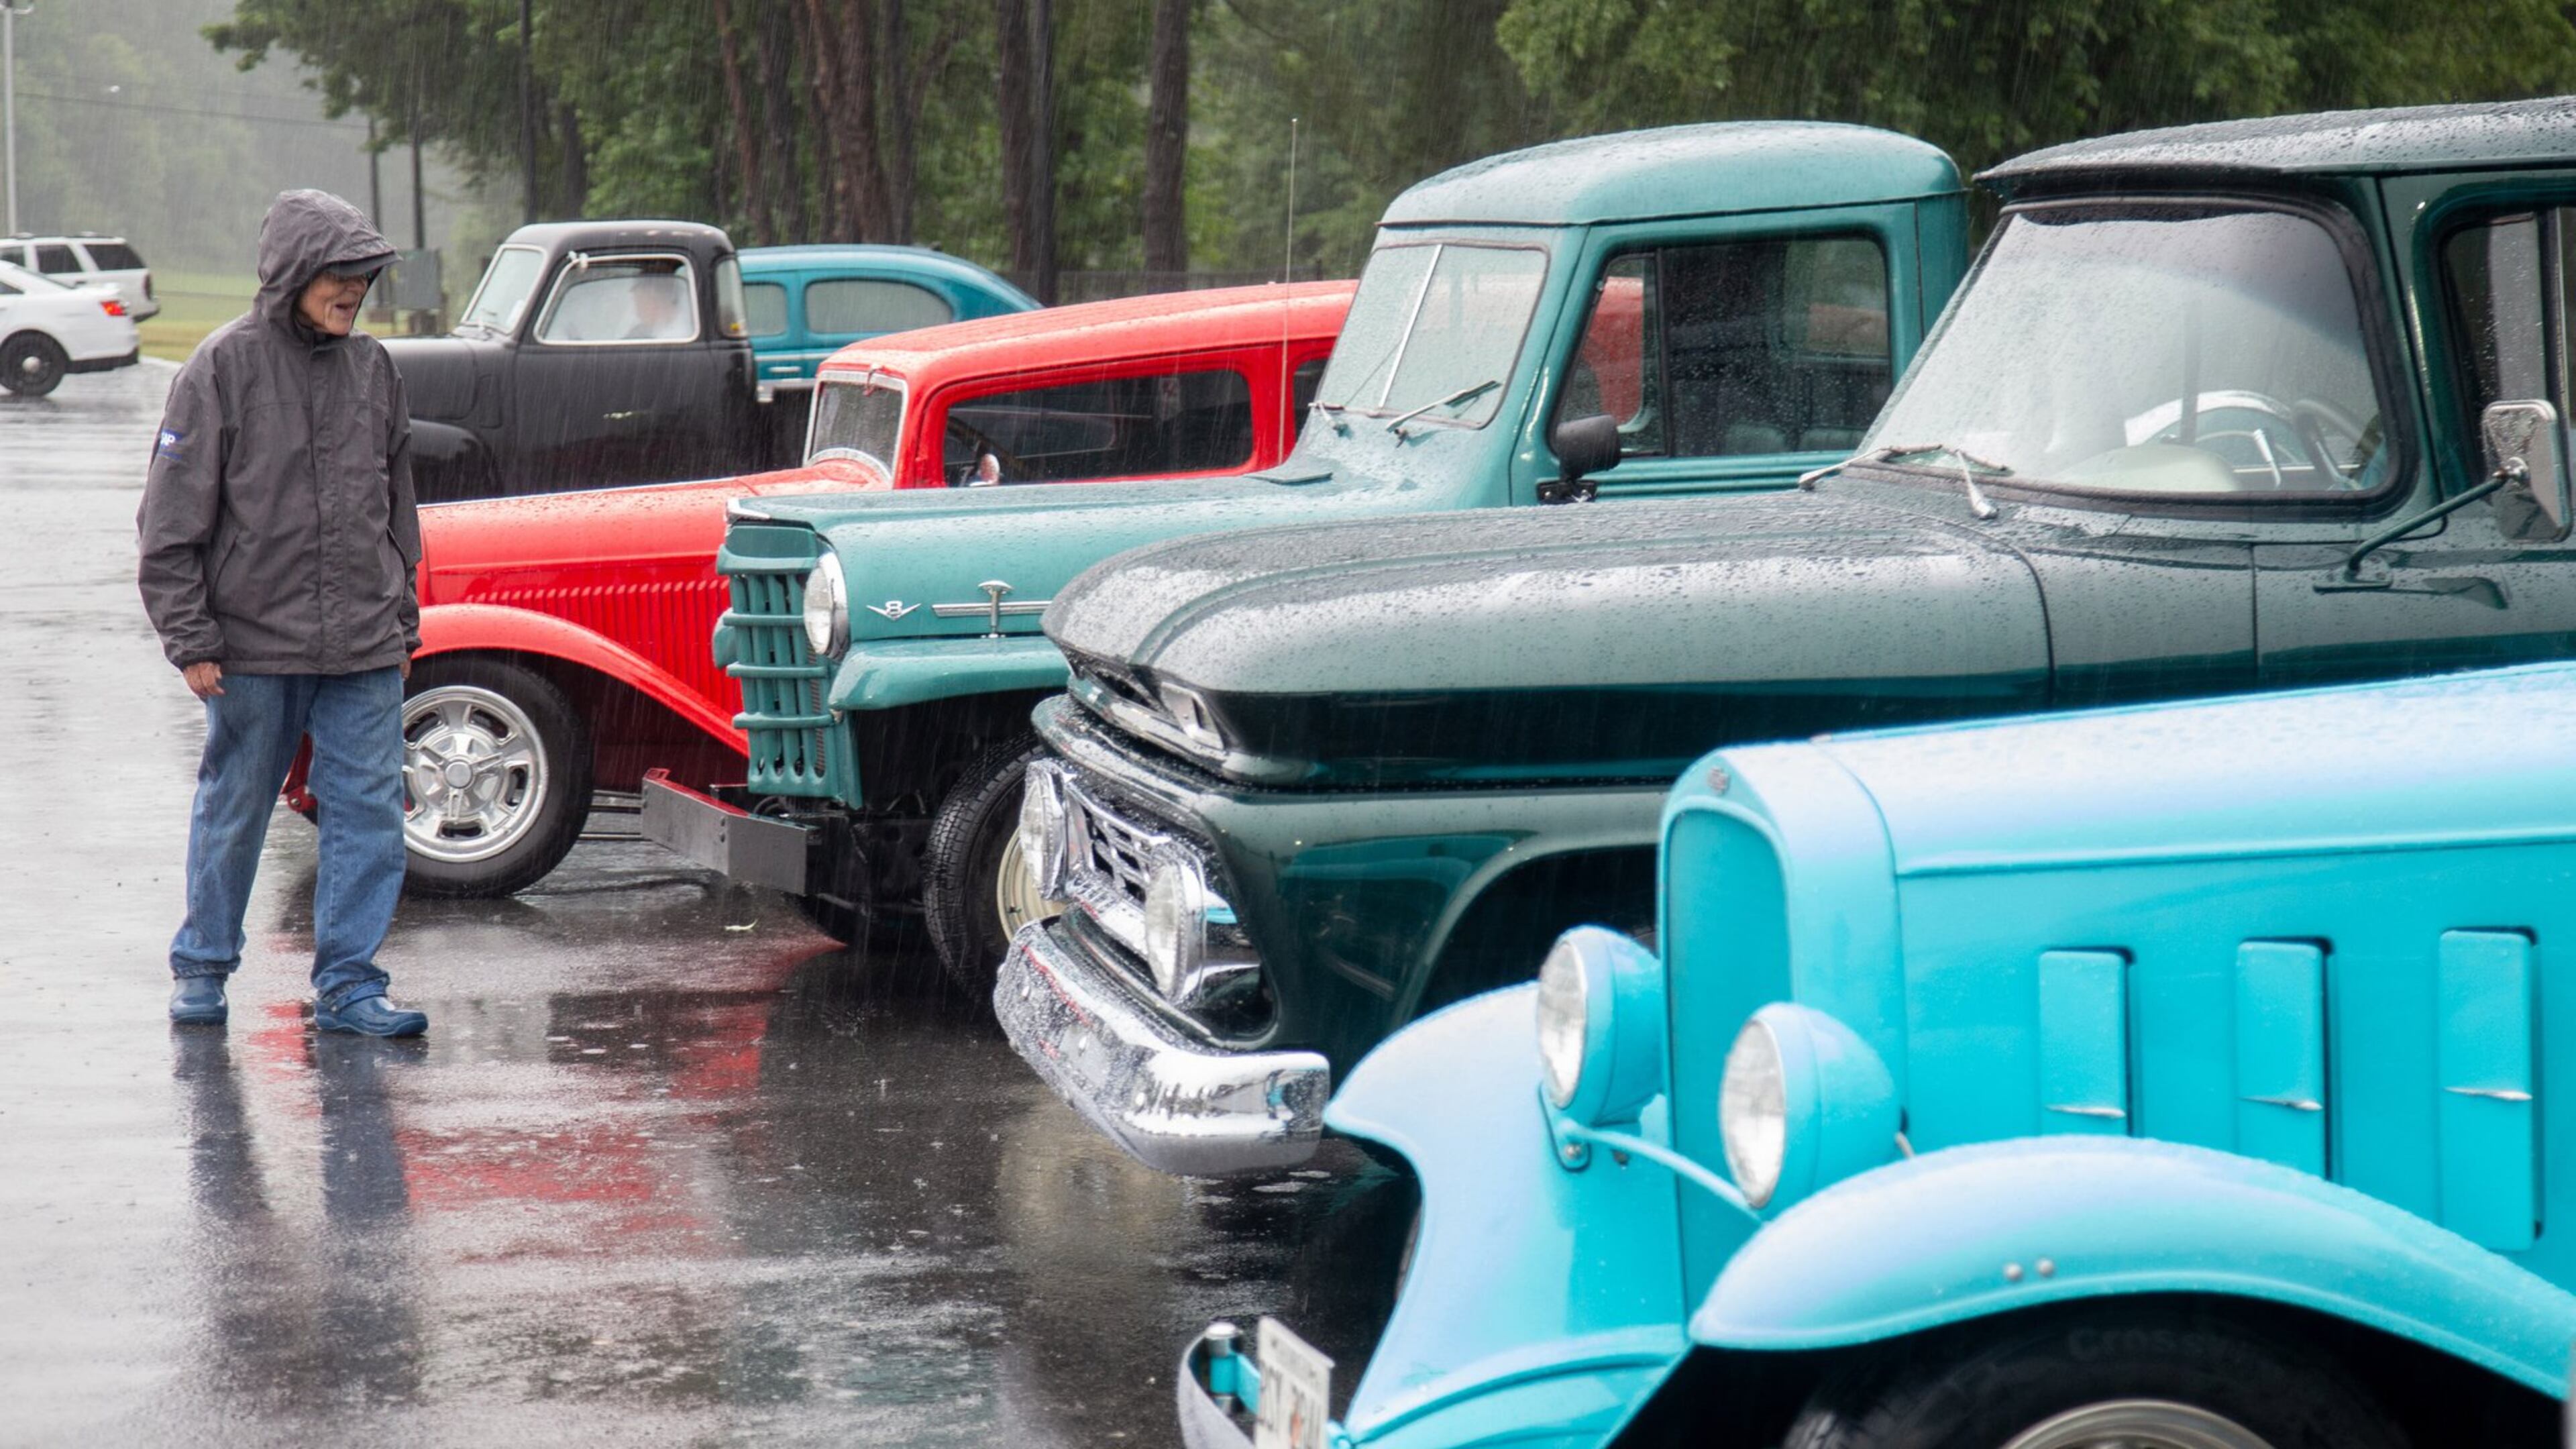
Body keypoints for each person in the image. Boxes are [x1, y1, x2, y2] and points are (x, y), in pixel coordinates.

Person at [138, 189, 429, 1037]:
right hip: (251, 646)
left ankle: (350, 986)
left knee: (370, 811)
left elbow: (398, 508)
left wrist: (402, 622)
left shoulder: (375, 369)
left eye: (366, 277)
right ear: (295, 272)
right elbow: (170, 520)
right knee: (237, 804)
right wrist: (189, 636)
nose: (355, 290)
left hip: (366, 645)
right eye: (341, 274)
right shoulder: (221, 367)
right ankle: (202, 967)